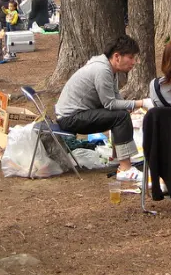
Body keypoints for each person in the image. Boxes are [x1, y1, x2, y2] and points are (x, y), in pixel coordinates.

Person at [55, 36, 151, 182]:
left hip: (76, 114)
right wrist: (142, 102)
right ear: (117, 56)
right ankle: (125, 168)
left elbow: (117, 100)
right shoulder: (102, 70)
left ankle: (116, 158)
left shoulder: (110, 69)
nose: (134, 62)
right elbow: (110, 104)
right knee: (120, 117)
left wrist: (131, 107)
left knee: (121, 114)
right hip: (70, 118)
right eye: (131, 57)